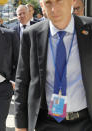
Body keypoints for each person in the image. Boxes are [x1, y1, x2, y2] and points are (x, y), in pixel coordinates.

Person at [14, 0, 92, 131]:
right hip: (47, 122)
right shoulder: (31, 34)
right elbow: (22, 82)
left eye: (59, 1)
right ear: (42, 5)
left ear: (72, 1)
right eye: (48, 3)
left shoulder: (89, 29)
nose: (54, 9)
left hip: (85, 122)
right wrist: (20, 126)